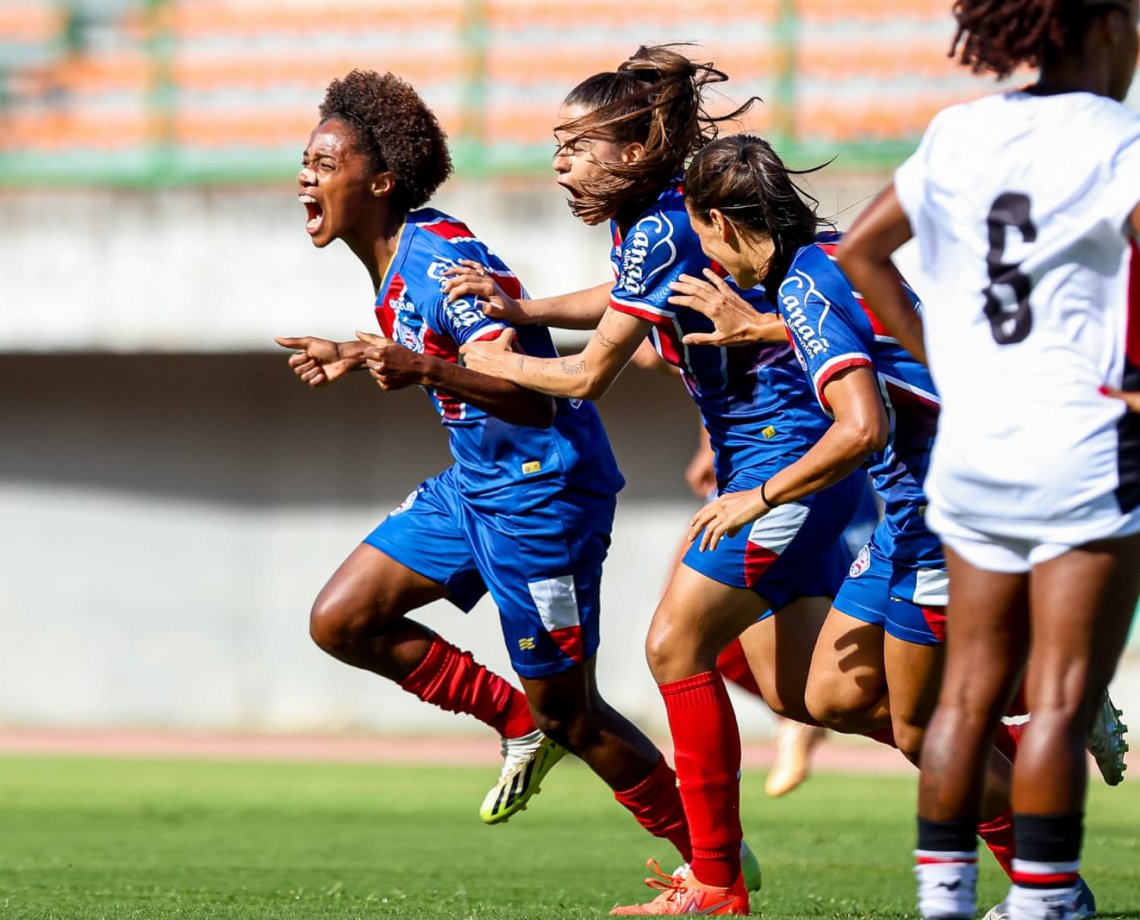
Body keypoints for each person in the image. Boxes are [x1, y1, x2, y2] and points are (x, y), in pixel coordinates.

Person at [452, 45, 874, 916]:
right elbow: (623, 293)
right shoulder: (655, 220)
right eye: (557, 142)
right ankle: (1023, 736)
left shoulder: (663, 222)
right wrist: (523, 308)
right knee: (820, 695)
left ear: (638, 146)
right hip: (762, 459)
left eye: (577, 143)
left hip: (790, 461)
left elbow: (583, 378)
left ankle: (716, 882)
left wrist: (455, 359)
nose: (560, 160)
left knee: (674, 646)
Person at [274, 69, 703, 871]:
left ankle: (708, 856)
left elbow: (526, 396)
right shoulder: (399, 257)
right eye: (306, 159)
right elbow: (431, 355)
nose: (306, 174)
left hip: (544, 498)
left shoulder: (439, 264)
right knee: (343, 619)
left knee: (575, 717)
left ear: (381, 181)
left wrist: (422, 369)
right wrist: (357, 352)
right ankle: (514, 722)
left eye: (323, 163)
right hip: (475, 484)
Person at [835, 1, 1140, 916]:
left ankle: (946, 904)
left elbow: (862, 251)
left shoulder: (959, 131)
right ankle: (1046, 904)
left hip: (973, 450)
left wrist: (951, 366)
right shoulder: (1117, 138)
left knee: (963, 698)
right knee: (1055, 696)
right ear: (1097, 29)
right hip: (1078, 445)